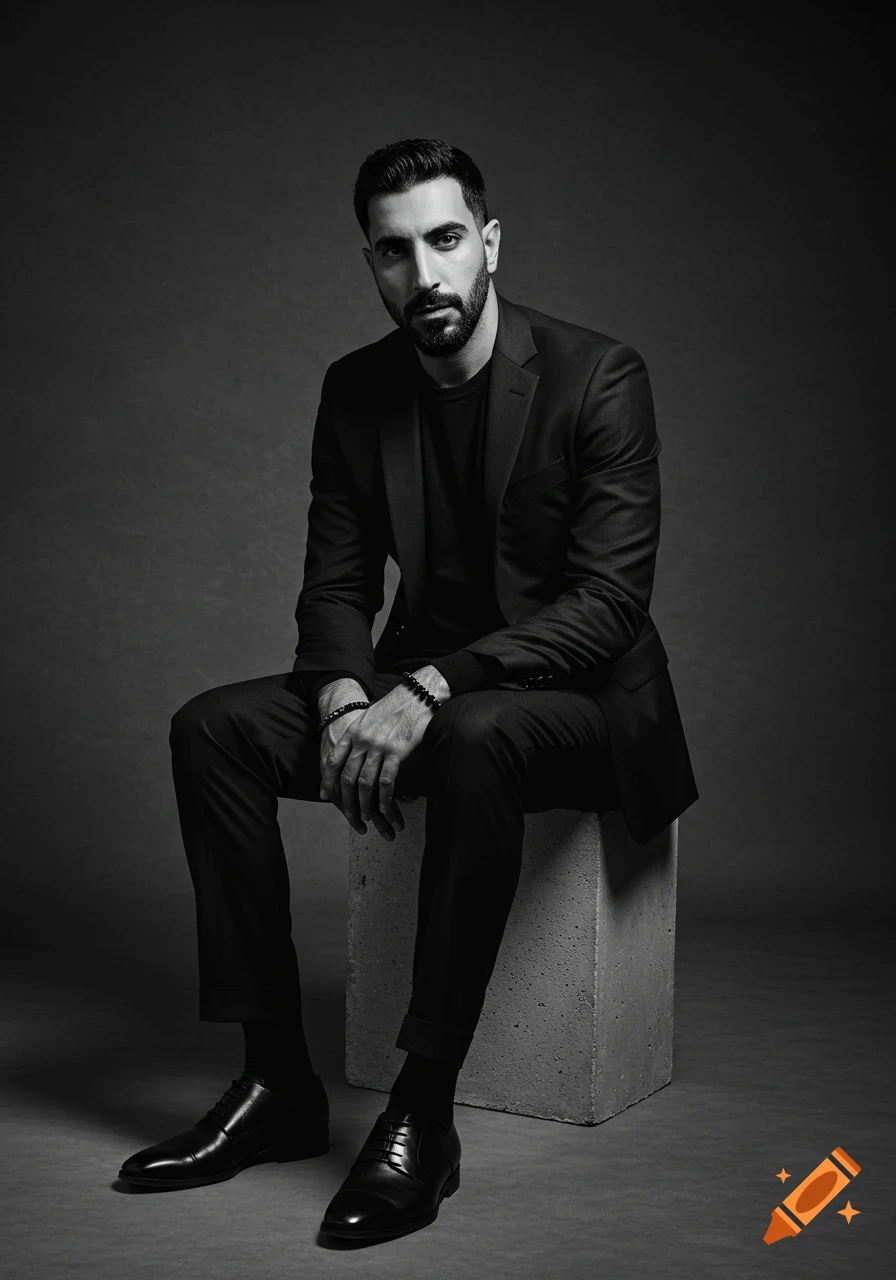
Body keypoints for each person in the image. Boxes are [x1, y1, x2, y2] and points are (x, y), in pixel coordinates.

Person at [118, 137, 698, 1241]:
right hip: (413, 694)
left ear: (487, 242)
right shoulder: (356, 389)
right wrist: (343, 697)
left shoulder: (597, 374)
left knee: (475, 733)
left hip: (577, 702)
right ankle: (275, 1082)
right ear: (371, 266)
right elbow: (333, 585)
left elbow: (606, 605)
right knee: (214, 729)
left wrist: (431, 680)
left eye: (442, 240)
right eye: (392, 252)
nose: (422, 275)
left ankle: (420, 1115)